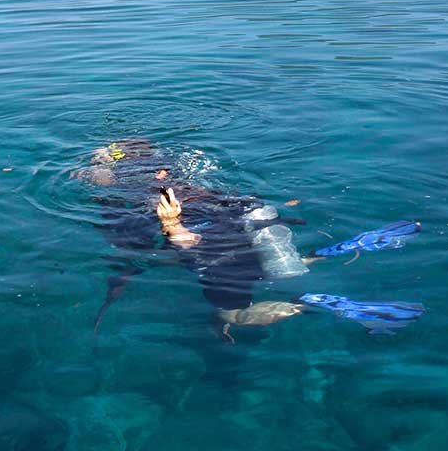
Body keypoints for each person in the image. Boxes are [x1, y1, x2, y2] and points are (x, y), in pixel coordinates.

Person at [75, 138, 304, 340]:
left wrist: (171, 223)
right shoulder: (161, 179)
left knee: (236, 290)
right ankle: (284, 301)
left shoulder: (138, 185)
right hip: (214, 225)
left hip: (211, 225)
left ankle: (237, 311)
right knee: (238, 292)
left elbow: (187, 242)